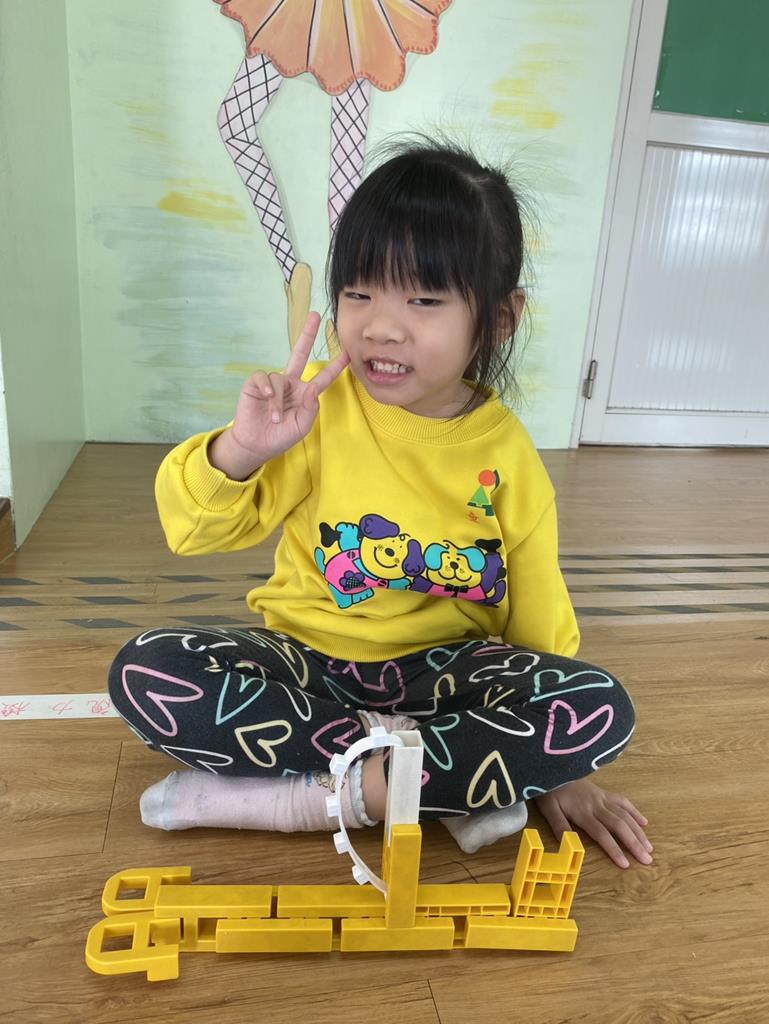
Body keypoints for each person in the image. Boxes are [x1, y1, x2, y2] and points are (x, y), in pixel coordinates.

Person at [108, 139, 653, 869]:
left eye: (423, 300)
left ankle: (316, 795)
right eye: (359, 292)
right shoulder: (318, 411)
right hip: (311, 671)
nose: (380, 327)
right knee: (146, 670)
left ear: (499, 318)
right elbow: (194, 530)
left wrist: (562, 763)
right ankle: (422, 783)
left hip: (446, 680)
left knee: (600, 707)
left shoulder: (508, 454)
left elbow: (538, 610)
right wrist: (242, 449)